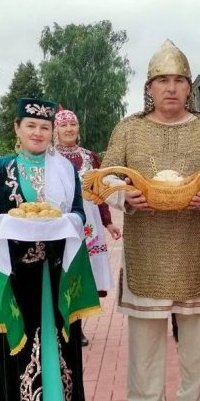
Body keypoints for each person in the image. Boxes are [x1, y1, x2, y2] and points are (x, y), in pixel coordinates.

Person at [100, 39, 200, 401]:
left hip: (194, 246)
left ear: (189, 87)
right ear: (150, 87)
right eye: (162, 80)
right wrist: (124, 196)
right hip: (146, 247)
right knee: (144, 335)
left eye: (178, 80)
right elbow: (105, 177)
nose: (171, 88)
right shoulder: (129, 128)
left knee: (196, 336)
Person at [0, 98, 99, 401]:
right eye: (30, 126)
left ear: (52, 132)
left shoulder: (65, 168)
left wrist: (65, 223)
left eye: (44, 127)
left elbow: (78, 212)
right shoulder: (0, 168)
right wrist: (18, 225)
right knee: (23, 344)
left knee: (60, 342)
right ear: (17, 129)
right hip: (20, 273)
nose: (38, 133)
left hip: (58, 271)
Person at [53, 109, 122, 347]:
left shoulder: (90, 157)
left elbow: (101, 192)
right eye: (64, 125)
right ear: (56, 130)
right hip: (61, 222)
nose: (69, 129)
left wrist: (108, 222)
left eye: (73, 124)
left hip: (89, 223)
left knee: (82, 273)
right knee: (62, 272)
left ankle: (76, 326)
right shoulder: (48, 157)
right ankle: (60, 325)